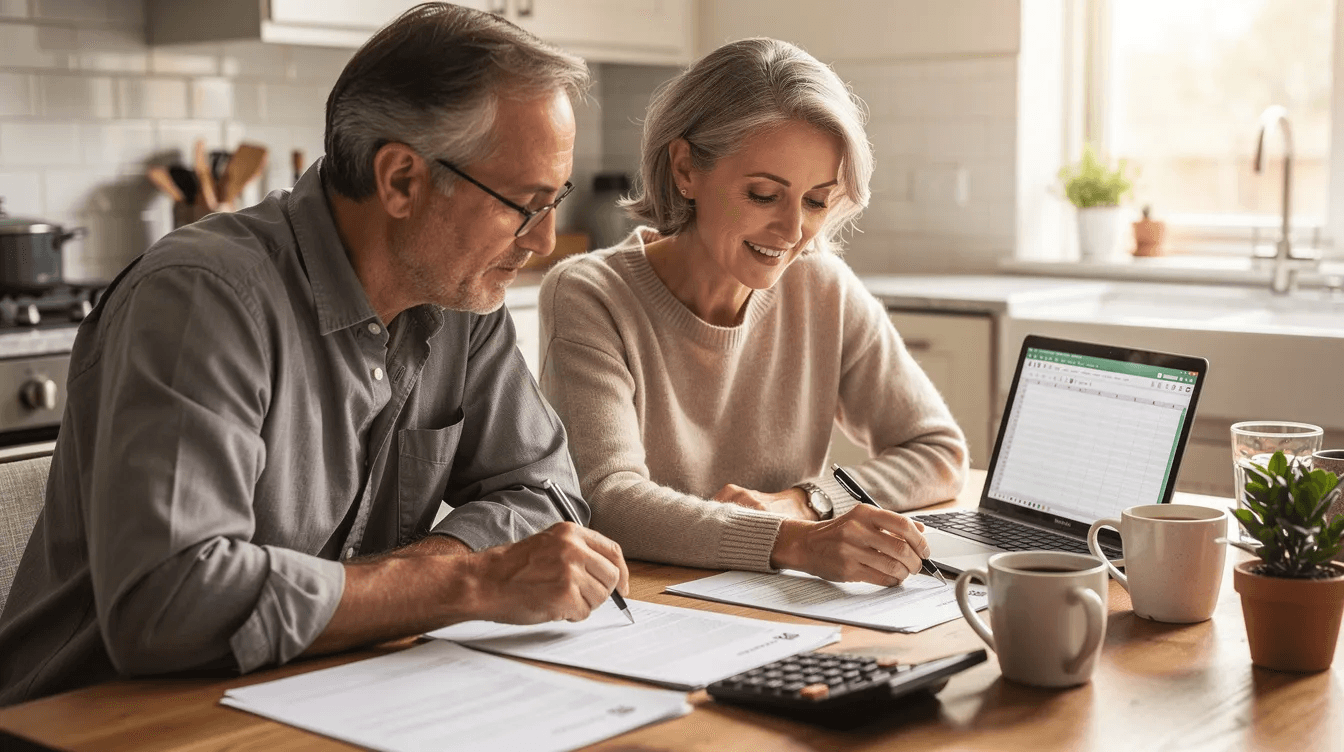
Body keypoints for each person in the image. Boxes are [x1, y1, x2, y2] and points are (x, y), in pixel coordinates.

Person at [0, 3, 629, 706]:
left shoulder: (459, 296)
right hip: (102, 719)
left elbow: (547, 495)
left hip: (319, 696)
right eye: (526, 203)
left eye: (557, 200)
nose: (545, 241)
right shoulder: (203, 298)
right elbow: (168, 605)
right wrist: (471, 581)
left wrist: (417, 579)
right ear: (400, 181)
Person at [538, 38, 968, 585]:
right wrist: (792, 542)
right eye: (764, 195)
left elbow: (938, 451)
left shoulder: (821, 287)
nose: (792, 234)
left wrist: (805, 502)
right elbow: (608, 499)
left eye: (816, 201)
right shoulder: (589, 294)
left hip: (784, 608)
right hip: (651, 606)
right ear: (686, 169)